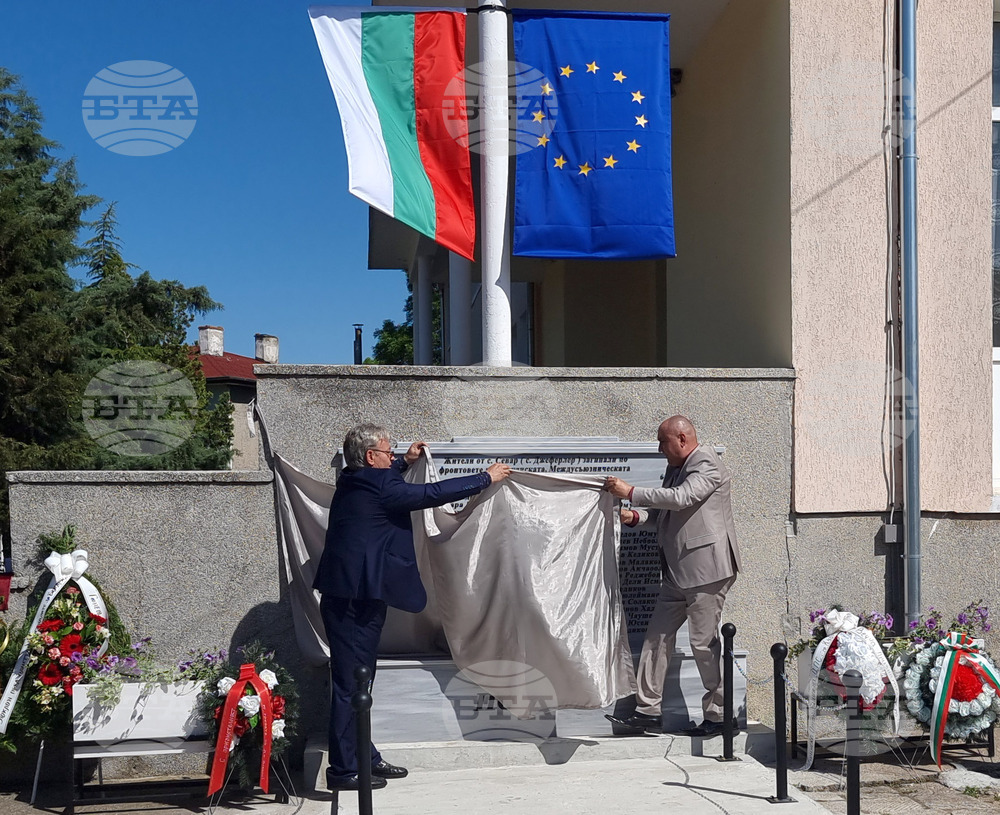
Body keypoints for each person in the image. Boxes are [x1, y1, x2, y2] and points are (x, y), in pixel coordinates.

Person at [313, 423, 511, 792]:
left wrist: (403, 461)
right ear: (371, 457)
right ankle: (343, 771)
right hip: (354, 602)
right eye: (388, 452)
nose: (392, 456)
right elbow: (431, 493)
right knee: (350, 684)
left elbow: (388, 482)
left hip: (354, 597)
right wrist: (486, 477)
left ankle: (364, 757)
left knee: (360, 681)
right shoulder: (378, 484)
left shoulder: (354, 479)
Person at [603, 415, 741, 737]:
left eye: (663, 442)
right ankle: (647, 711)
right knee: (656, 638)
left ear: (681, 439)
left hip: (707, 570)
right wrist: (635, 517)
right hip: (678, 573)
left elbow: (683, 498)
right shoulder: (676, 468)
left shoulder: (705, 462)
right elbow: (667, 513)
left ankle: (719, 716)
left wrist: (632, 491)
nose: (659, 448)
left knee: (703, 645)